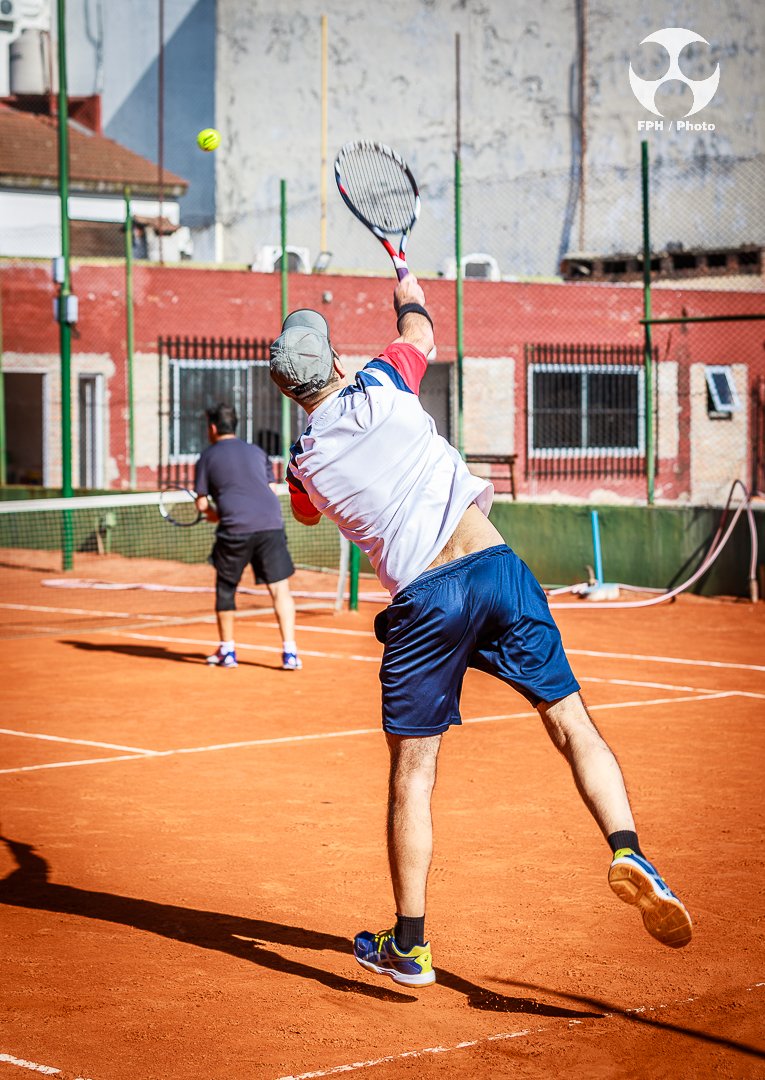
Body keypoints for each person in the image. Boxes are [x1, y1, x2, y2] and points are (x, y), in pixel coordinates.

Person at [269, 277, 692, 988]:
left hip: (424, 602)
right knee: (572, 724)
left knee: (413, 774)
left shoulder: (303, 465)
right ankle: (629, 850)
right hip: (497, 569)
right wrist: (408, 290)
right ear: (336, 360)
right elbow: (420, 333)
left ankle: (409, 946)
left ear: (287, 392)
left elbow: (307, 513)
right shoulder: (381, 380)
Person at [194, 402, 301, 671]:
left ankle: (227, 652)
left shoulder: (207, 456)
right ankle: (290, 653)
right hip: (271, 524)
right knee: (280, 589)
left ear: (213, 428)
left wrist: (215, 515)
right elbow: (271, 490)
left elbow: (202, 503)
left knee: (226, 589)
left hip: (235, 530)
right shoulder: (256, 451)